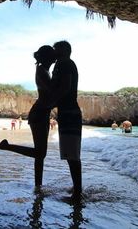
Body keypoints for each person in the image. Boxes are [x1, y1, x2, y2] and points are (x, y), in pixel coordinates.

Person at [0, 45, 56, 188]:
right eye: (53, 56)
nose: (55, 58)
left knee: (40, 155)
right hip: (39, 114)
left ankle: (38, 186)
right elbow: (51, 93)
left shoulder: (44, 70)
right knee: (40, 154)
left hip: (42, 113)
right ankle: (7, 146)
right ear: (47, 57)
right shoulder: (42, 70)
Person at [49, 40, 83, 199]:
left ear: (63, 51)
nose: (53, 52)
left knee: (72, 154)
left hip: (69, 112)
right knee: (71, 154)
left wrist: (48, 104)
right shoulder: (64, 63)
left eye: (56, 50)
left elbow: (64, 87)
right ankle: (77, 188)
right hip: (68, 112)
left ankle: (77, 192)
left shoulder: (65, 63)